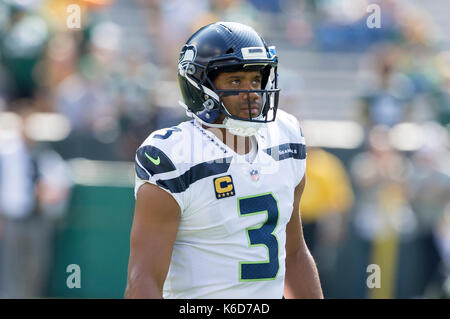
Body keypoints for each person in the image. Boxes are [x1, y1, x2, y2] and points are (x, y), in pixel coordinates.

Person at [125, 22, 323, 299]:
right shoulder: (174, 156)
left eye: (255, 79)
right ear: (200, 86)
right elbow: (142, 279)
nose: (252, 92)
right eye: (235, 81)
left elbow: (294, 253)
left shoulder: (286, 135)